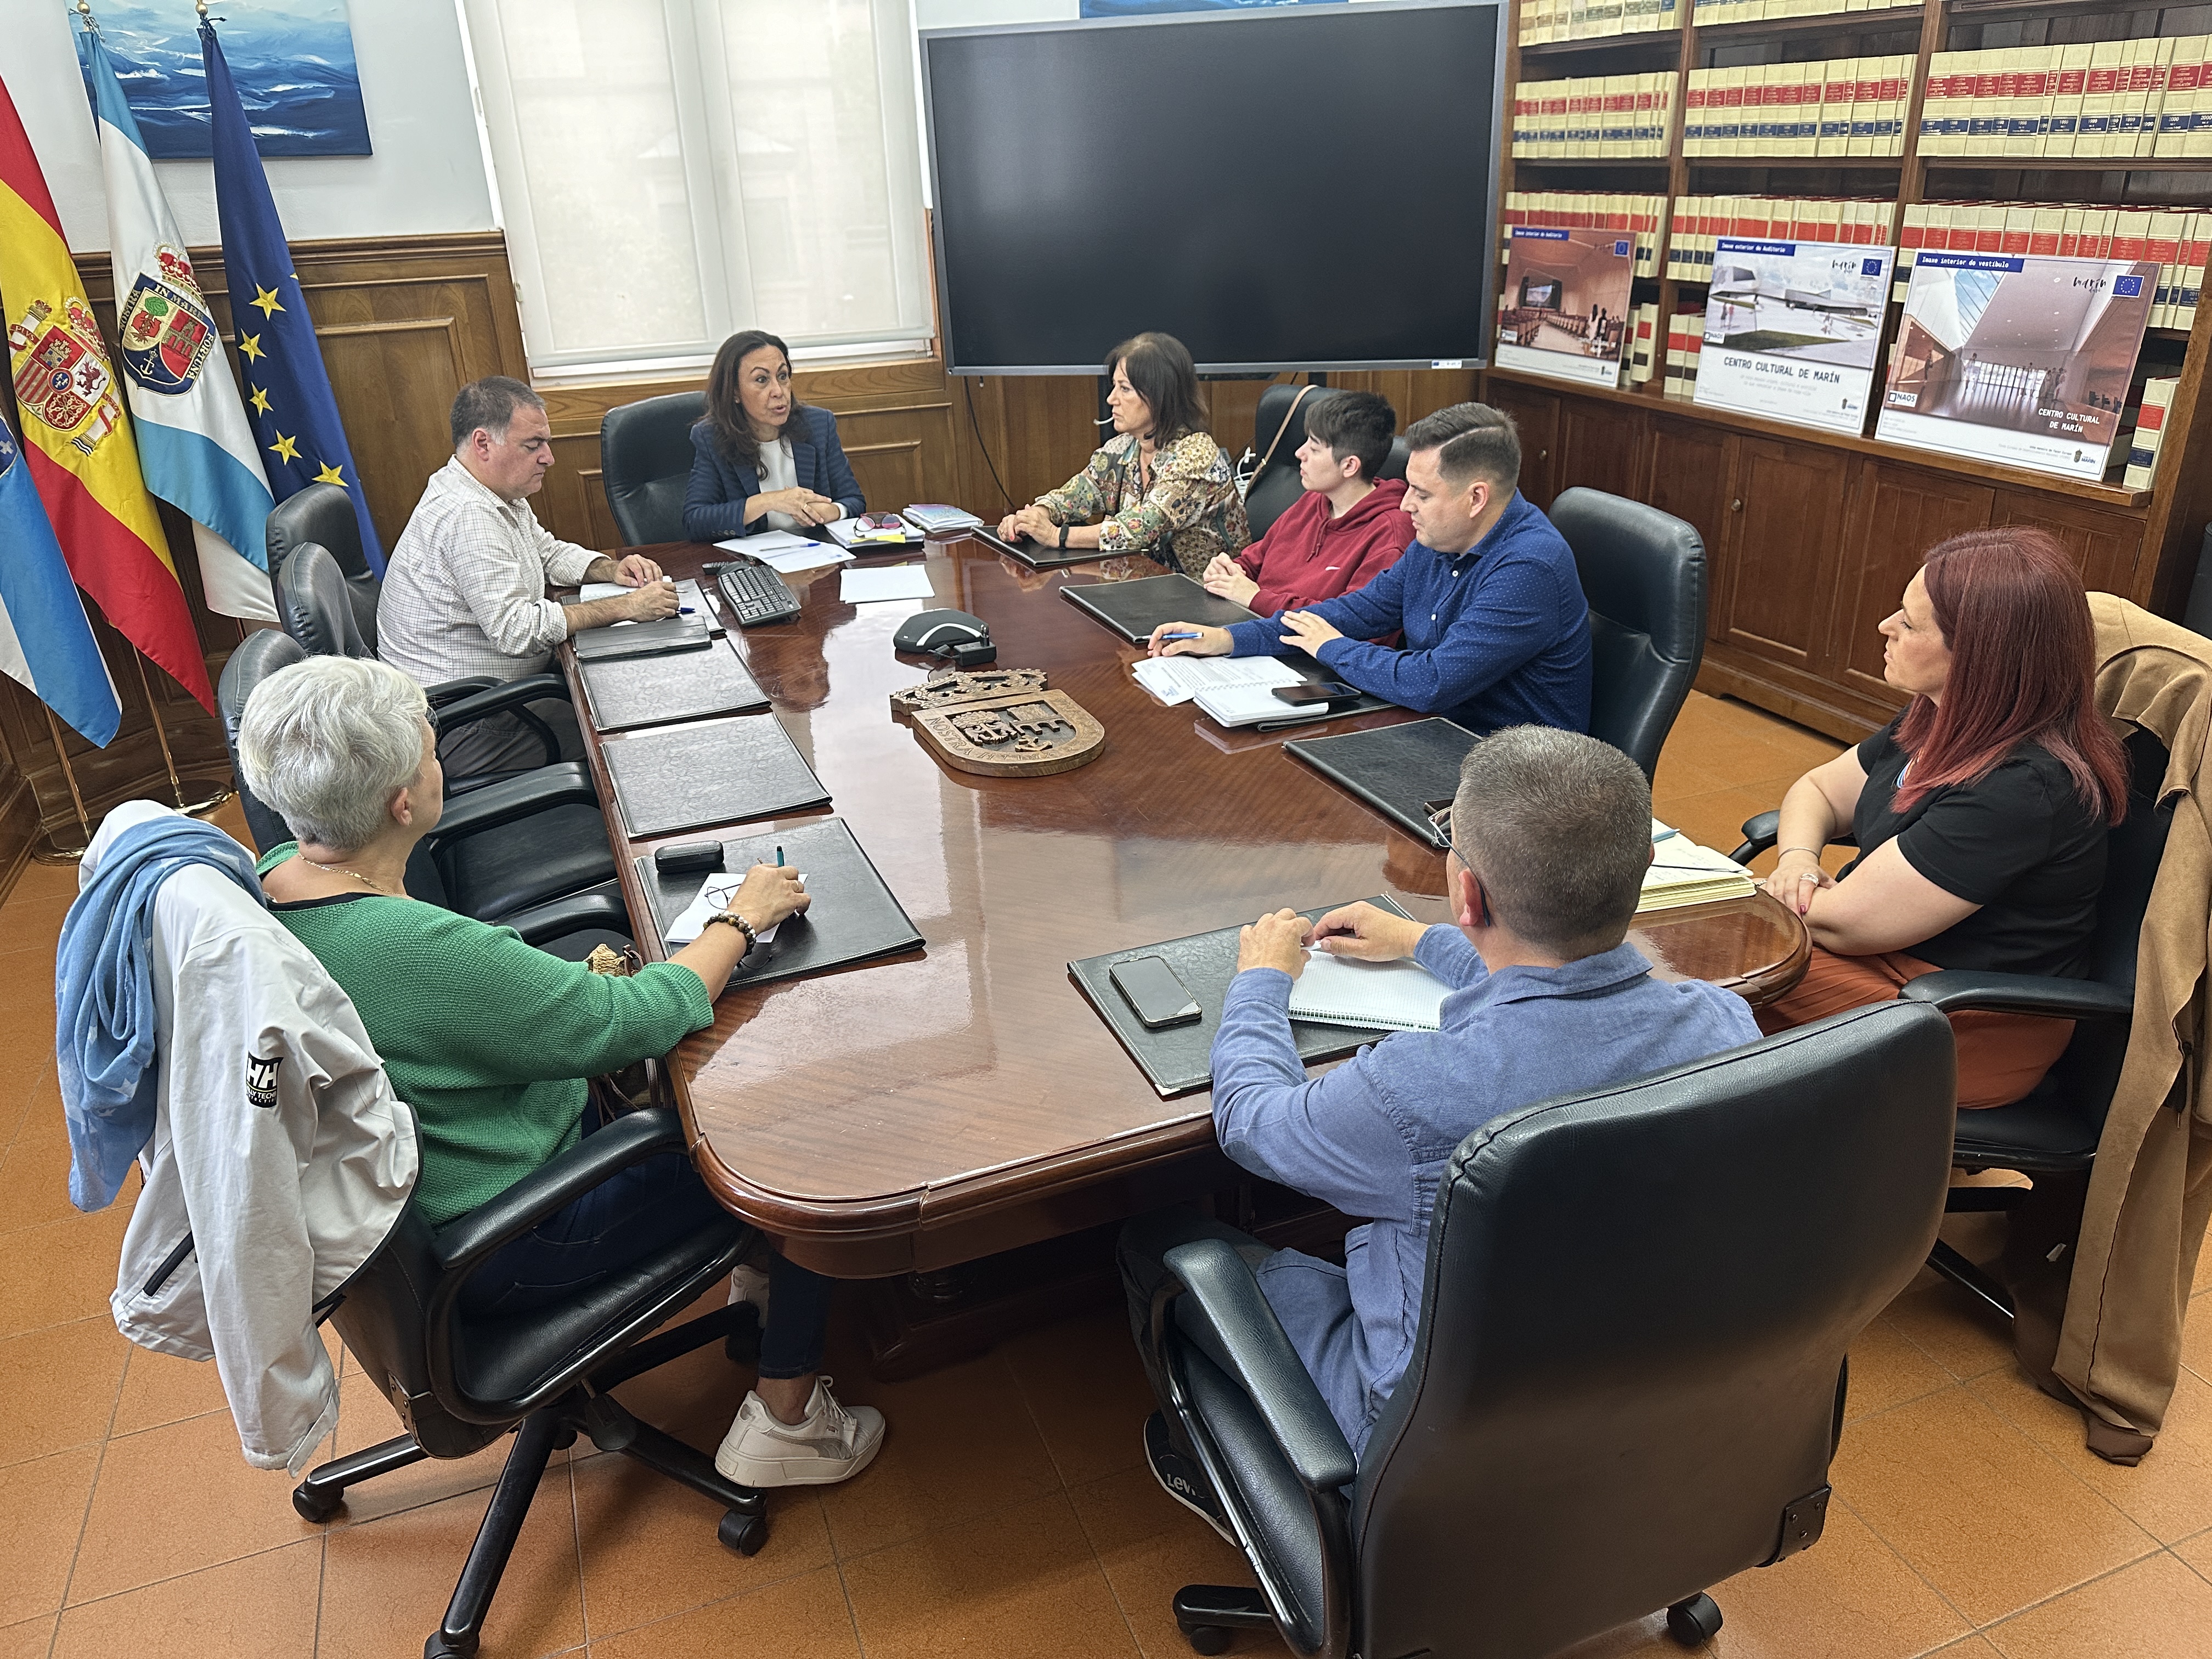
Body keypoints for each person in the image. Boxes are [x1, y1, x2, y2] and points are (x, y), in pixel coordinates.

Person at [236, 655, 885, 1489]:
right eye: (432, 753)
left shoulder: (273, 883)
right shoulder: (408, 950)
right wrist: (741, 918)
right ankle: (786, 1421)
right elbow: (630, 1022)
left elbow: (470, 1014)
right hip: (518, 1236)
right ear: (403, 802)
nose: (440, 764)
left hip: (453, 1195)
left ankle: (761, 1281)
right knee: (789, 1135)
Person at [1119, 727, 1760, 1526]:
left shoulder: (1416, 1091)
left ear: (1469, 896)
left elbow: (1252, 1124)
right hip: (1638, 1387)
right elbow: (1557, 980)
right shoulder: (1724, 1025)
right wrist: (1429, 945)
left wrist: (1259, 983)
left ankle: (1242, 1492)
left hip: (1427, 1442)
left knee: (1157, 1244)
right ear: (1639, 875)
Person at [1751, 528, 2126, 1109]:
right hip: (1894, 973)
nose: (1885, 627)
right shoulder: (1938, 717)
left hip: (1964, 1024)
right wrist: (1798, 861)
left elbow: (1848, 924)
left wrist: (1744, 894)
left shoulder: (2022, 788)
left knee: (1701, 975)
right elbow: (1819, 789)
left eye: (1908, 622)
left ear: (1975, 656)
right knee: (1699, 967)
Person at [1146, 402, 1591, 735]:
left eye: (1422, 493)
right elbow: (1354, 612)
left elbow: (1431, 681)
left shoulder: (1529, 567)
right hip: (1429, 730)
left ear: (1476, 498)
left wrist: (1332, 647)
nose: (1405, 504)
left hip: (1510, 773)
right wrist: (1228, 639)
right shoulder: (1439, 539)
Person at [379, 377, 679, 778]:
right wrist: (626, 607)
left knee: (626, 690)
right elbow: (516, 630)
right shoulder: (467, 514)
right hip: (463, 725)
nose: (548, 458)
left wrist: (609, 568)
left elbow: (546, 551)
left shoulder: (493, 492)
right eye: (533, 445)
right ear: (483, 443)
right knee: (632, 726)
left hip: (494, 701)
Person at [996, 331, 1249, 576]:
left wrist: (1055, 535)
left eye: (1125, 389)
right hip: (1145, 585)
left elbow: (1141, 529)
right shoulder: (1121, 448)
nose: (1111, 399)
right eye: (1114, 386)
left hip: (1205, 593)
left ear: (1160, 396)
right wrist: (1036, 515)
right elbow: (1075, 494)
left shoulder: (1196, 455)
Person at [1199, 390, 1413, 616]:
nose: (1299, 453)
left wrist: (1256, 598)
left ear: (1350, 466)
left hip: (1296, 637)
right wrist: (1230, 571)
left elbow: (1354, 621)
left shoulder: (1390, 534)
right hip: (1257, 624)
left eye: (1315, 449)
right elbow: (1254, 562)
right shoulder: (1315, 500)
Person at [683, 330, 865, 540]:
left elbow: (854, 501)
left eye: (782, 376)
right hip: (753, 557)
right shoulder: (711, 437)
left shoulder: (818, 425)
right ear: (734, 392)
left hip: (816, 551)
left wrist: (832, 511)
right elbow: (695, 521)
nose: (778, 391)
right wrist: (769, 501)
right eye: (762, 379)